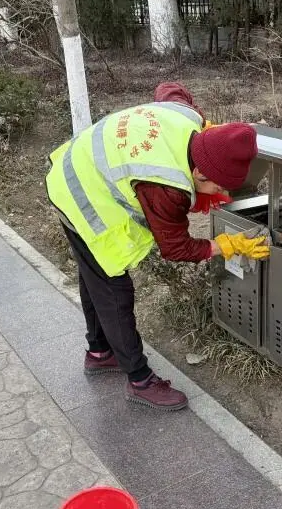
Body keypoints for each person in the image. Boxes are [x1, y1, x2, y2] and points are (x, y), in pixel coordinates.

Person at [45, 82, 270, 411]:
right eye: (217, 185)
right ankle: (139, 379)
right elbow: (175, 247)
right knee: (113, 289)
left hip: (76, 164)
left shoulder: (188, 117)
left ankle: (99, 352)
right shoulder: (167, 186)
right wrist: (226, 245)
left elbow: (169, 89)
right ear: (198, 171)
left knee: (93, 272)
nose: (219, 192)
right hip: (81, 194)